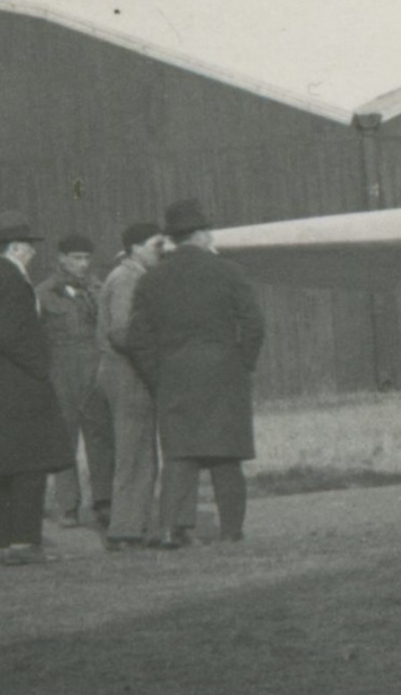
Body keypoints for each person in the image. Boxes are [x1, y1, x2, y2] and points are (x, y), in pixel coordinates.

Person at [129, 199, 265, 549]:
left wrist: (157, 376)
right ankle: (232, 530)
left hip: (174, 373)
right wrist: (242, 362)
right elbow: (253, 323)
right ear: (203, 235)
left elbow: (137, 338)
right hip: (223, 371)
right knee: (226, 455)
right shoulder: (229, 271)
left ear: (173, 238)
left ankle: (172, 529)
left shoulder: (152, 279)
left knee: (180, 455)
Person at [0, 211, 74, 566]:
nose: (32, 252)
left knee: (5, 470)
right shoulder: (12, 281)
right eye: (28, 246)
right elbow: (13, 335)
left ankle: (4, 542)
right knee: (30, 464)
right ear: (15, 247)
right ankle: (25, 543)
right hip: (18, 385)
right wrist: (40, 368)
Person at [97, 221, 171, 550]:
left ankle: (135, 526)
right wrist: (154, 356)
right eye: (156, 245)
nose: (161, 251)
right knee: (134, 453)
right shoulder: (127, 278)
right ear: (136, 248)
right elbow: (122, 332)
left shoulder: (130, 275)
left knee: (141, 452)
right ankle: (125, 530)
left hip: (128, 371)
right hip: (127, 373)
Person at [37, 233, 112, 528]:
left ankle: (103, 502)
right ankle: (68, 506)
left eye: (86, 258)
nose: (83, 264)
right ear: (61, 259)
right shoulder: (44, 293)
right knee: (63, 441)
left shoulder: (99, 289)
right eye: (76, 258)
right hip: (60, 373)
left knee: (100, 438)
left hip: (95, 370)